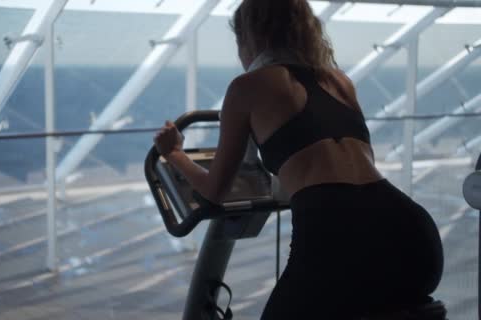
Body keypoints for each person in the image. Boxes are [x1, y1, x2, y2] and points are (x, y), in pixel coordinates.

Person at [154, 0, 444, 319]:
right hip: (410, 232)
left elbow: (213, 192)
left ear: (250, 36)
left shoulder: (246, 87)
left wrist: (175, 154)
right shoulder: (339, 81)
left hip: (336, 229)